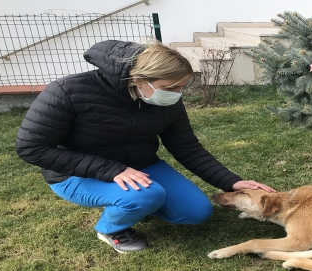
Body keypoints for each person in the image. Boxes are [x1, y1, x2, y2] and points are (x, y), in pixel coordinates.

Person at [15, 40, 275, 254]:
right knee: (143, 196)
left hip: (141, 166)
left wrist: (231, 182)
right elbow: (31, 148)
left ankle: (138, 203)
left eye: (182, 87)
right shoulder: (67, 91)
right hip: (75, 174)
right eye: (169, 88)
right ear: (140, 79)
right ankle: (111, 229)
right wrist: (110, 170)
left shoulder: (166, 99)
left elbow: (187, 147)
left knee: (198, 212)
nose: (176, 94)